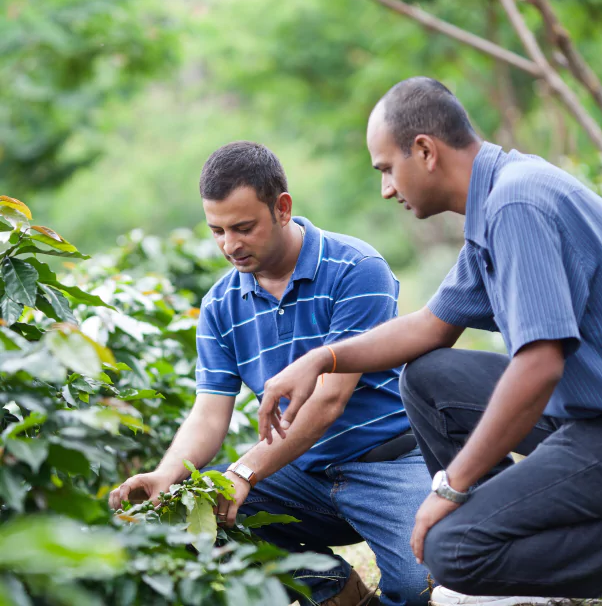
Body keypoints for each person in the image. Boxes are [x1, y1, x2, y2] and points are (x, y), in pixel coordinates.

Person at [257, 77, 602, 606]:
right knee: (428, 376)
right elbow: (430, 327)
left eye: (387, 170)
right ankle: (507, 565)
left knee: (452, 550)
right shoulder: (500, 197)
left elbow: (539, 365)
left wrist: (451, 486)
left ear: (425, 151)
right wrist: (323, 358)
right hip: (594, 412)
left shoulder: (516, 205)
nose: (386, 189)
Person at [109, 141, 433, 606]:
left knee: (417, 587)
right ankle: (344, 595)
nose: (229, 245)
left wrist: (245, 470)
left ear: (282, 208)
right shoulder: (220, 305)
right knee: (204, 513)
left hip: (387, 465)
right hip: (299, 473)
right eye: (217, 231)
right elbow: (208, 414)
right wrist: (166, 474)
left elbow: (328, 401)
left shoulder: (356, 268)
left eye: (243, 228)